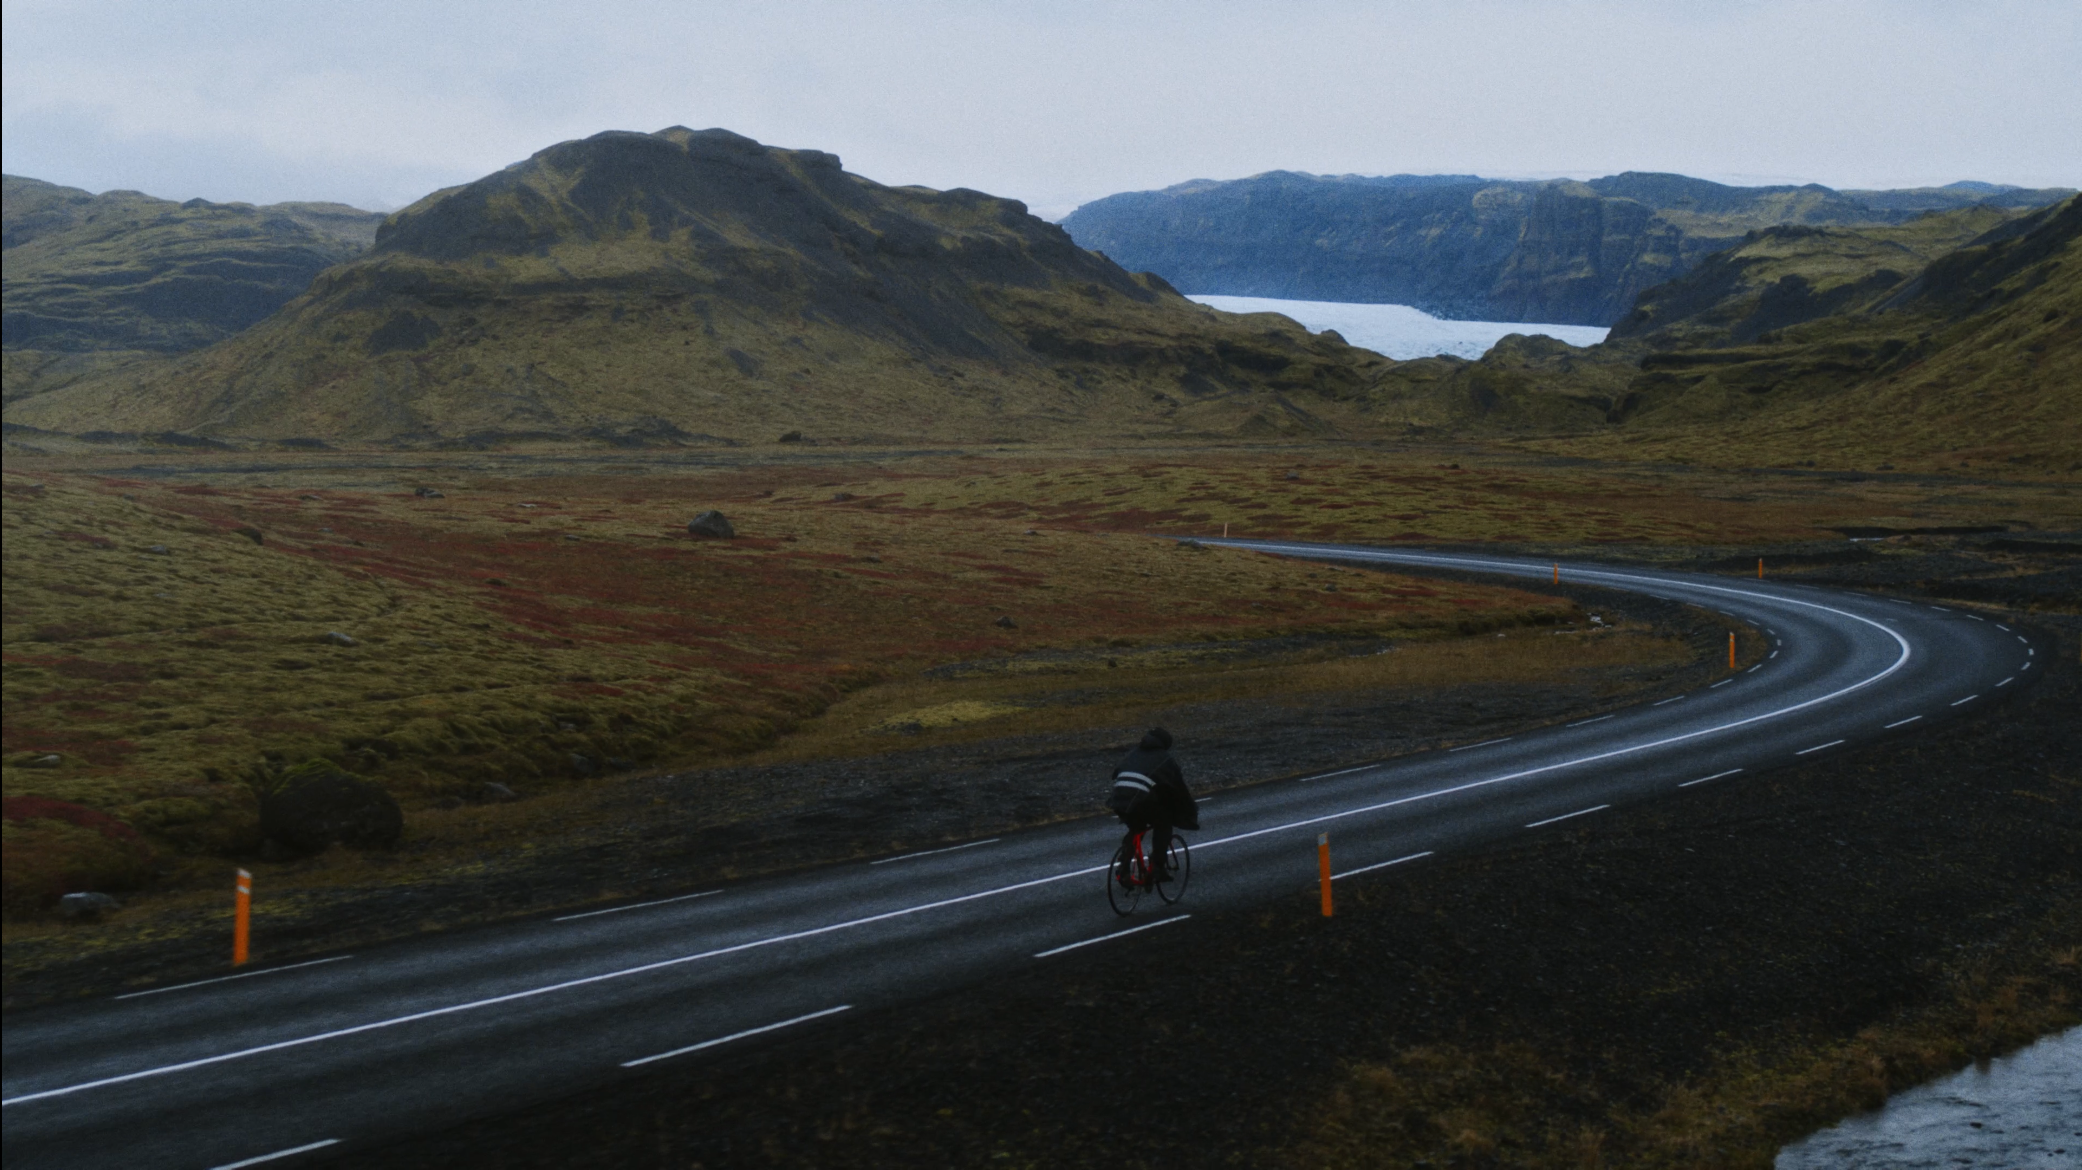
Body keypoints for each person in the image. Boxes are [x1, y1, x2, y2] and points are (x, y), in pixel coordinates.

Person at [1107, 727, 1198, 883]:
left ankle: (1124, 868)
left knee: (1136, 828)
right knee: (1163, 824)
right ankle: (1158, 867)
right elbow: (1179, 788)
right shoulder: (1165, 758)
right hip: (1140, 799)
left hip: (1119, 798)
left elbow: (1116, 772)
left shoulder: (1133, 753)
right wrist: (1190, 810)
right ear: (1165, 744)